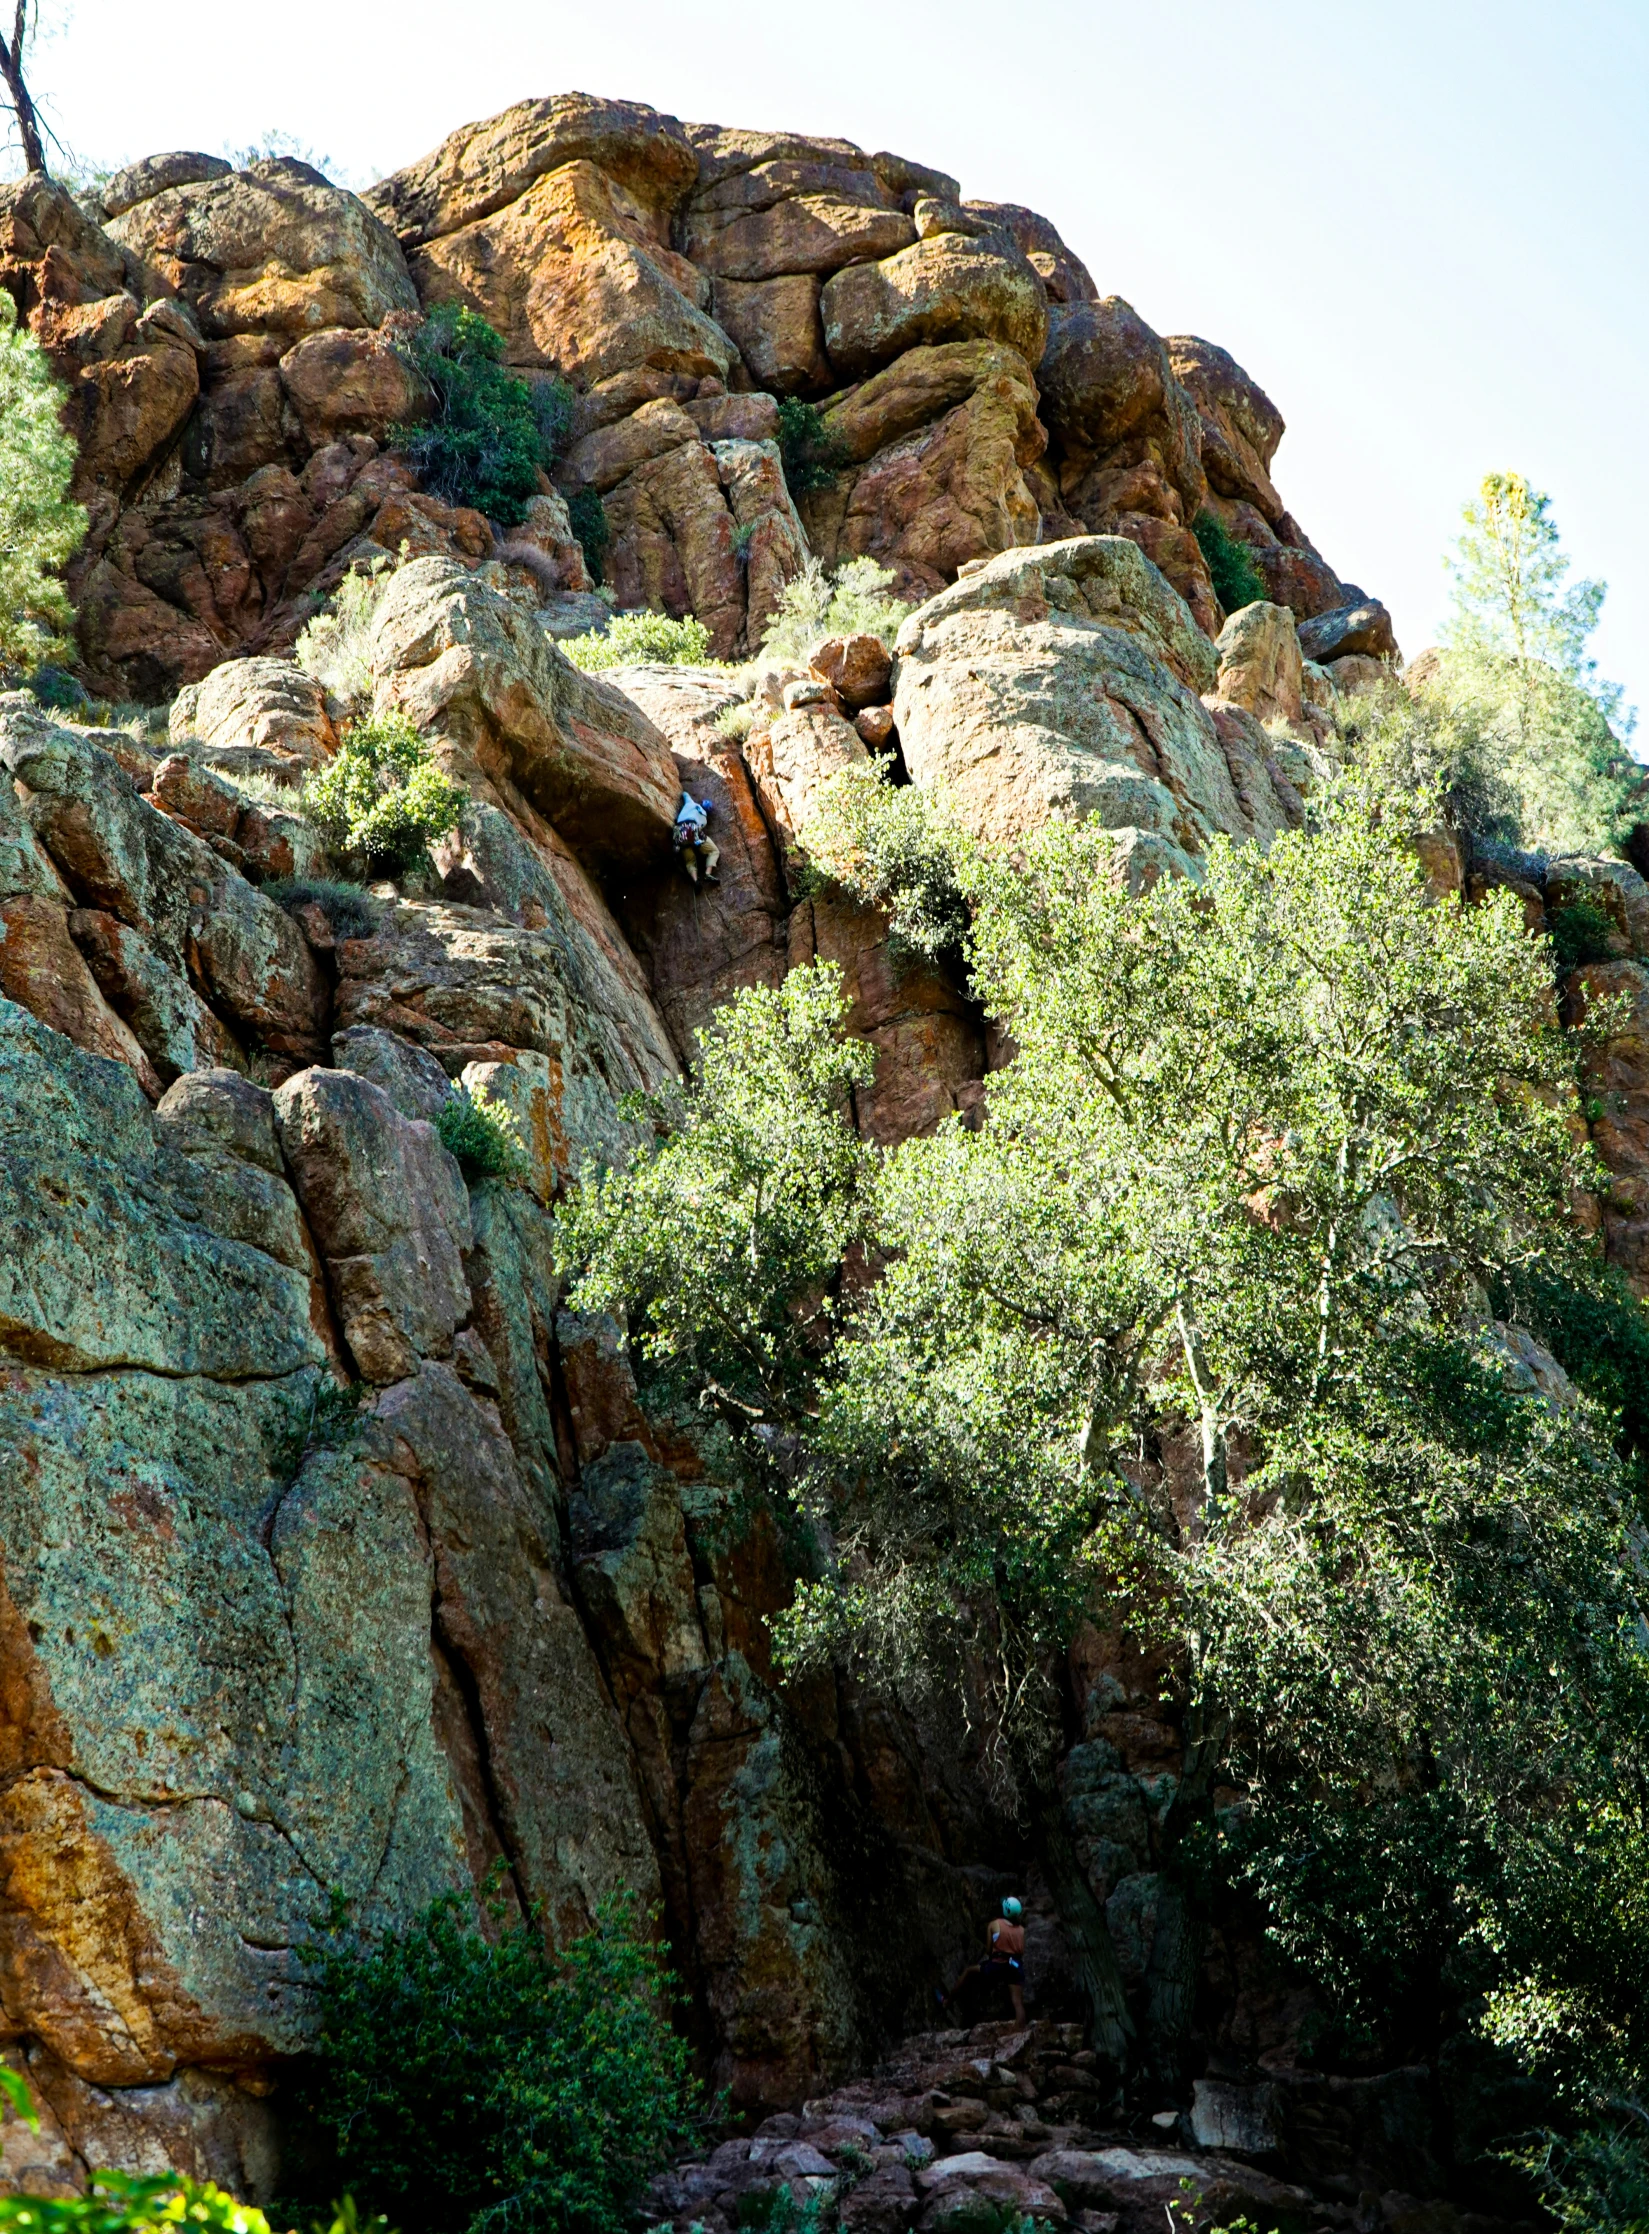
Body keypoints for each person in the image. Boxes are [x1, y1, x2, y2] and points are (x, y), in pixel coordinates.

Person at [938, 1896, 1026, 2024]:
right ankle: (1021, 2032)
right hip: (1015, 1967)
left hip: (997, 1966)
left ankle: (947, 2002)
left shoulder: (994, 1924)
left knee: (969, 1971)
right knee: (1018, 2002)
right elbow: (1021, 1951)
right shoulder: (1021, 1930)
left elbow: (989, 1950)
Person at [674, 790, 720, 885]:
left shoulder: (690, 802)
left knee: (690, 860)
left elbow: (685, 794)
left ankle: (695, 880)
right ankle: (707, 873)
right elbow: (699, 827)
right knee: (714, 851)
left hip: (679, 833)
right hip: (693, 832)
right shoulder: (704, 818)